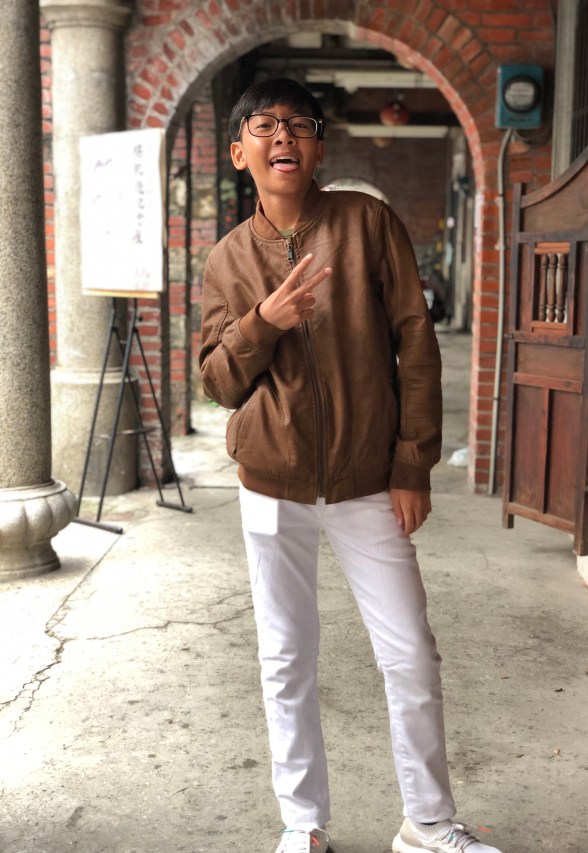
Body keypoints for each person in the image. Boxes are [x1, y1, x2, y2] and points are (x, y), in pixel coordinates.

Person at [200, 78, 503, 853]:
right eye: (264, 125)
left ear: (319, 147)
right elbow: (217, 382)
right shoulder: (226, 259)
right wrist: (263, 322)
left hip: (369, 479)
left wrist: (412, 463)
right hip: (271, 483)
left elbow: (416, 343)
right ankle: (302, 824)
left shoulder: (368, 223)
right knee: (285, 657)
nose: (283, 136)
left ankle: (427, 823)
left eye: (299, 124)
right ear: (238, 153)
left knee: (410, 652)